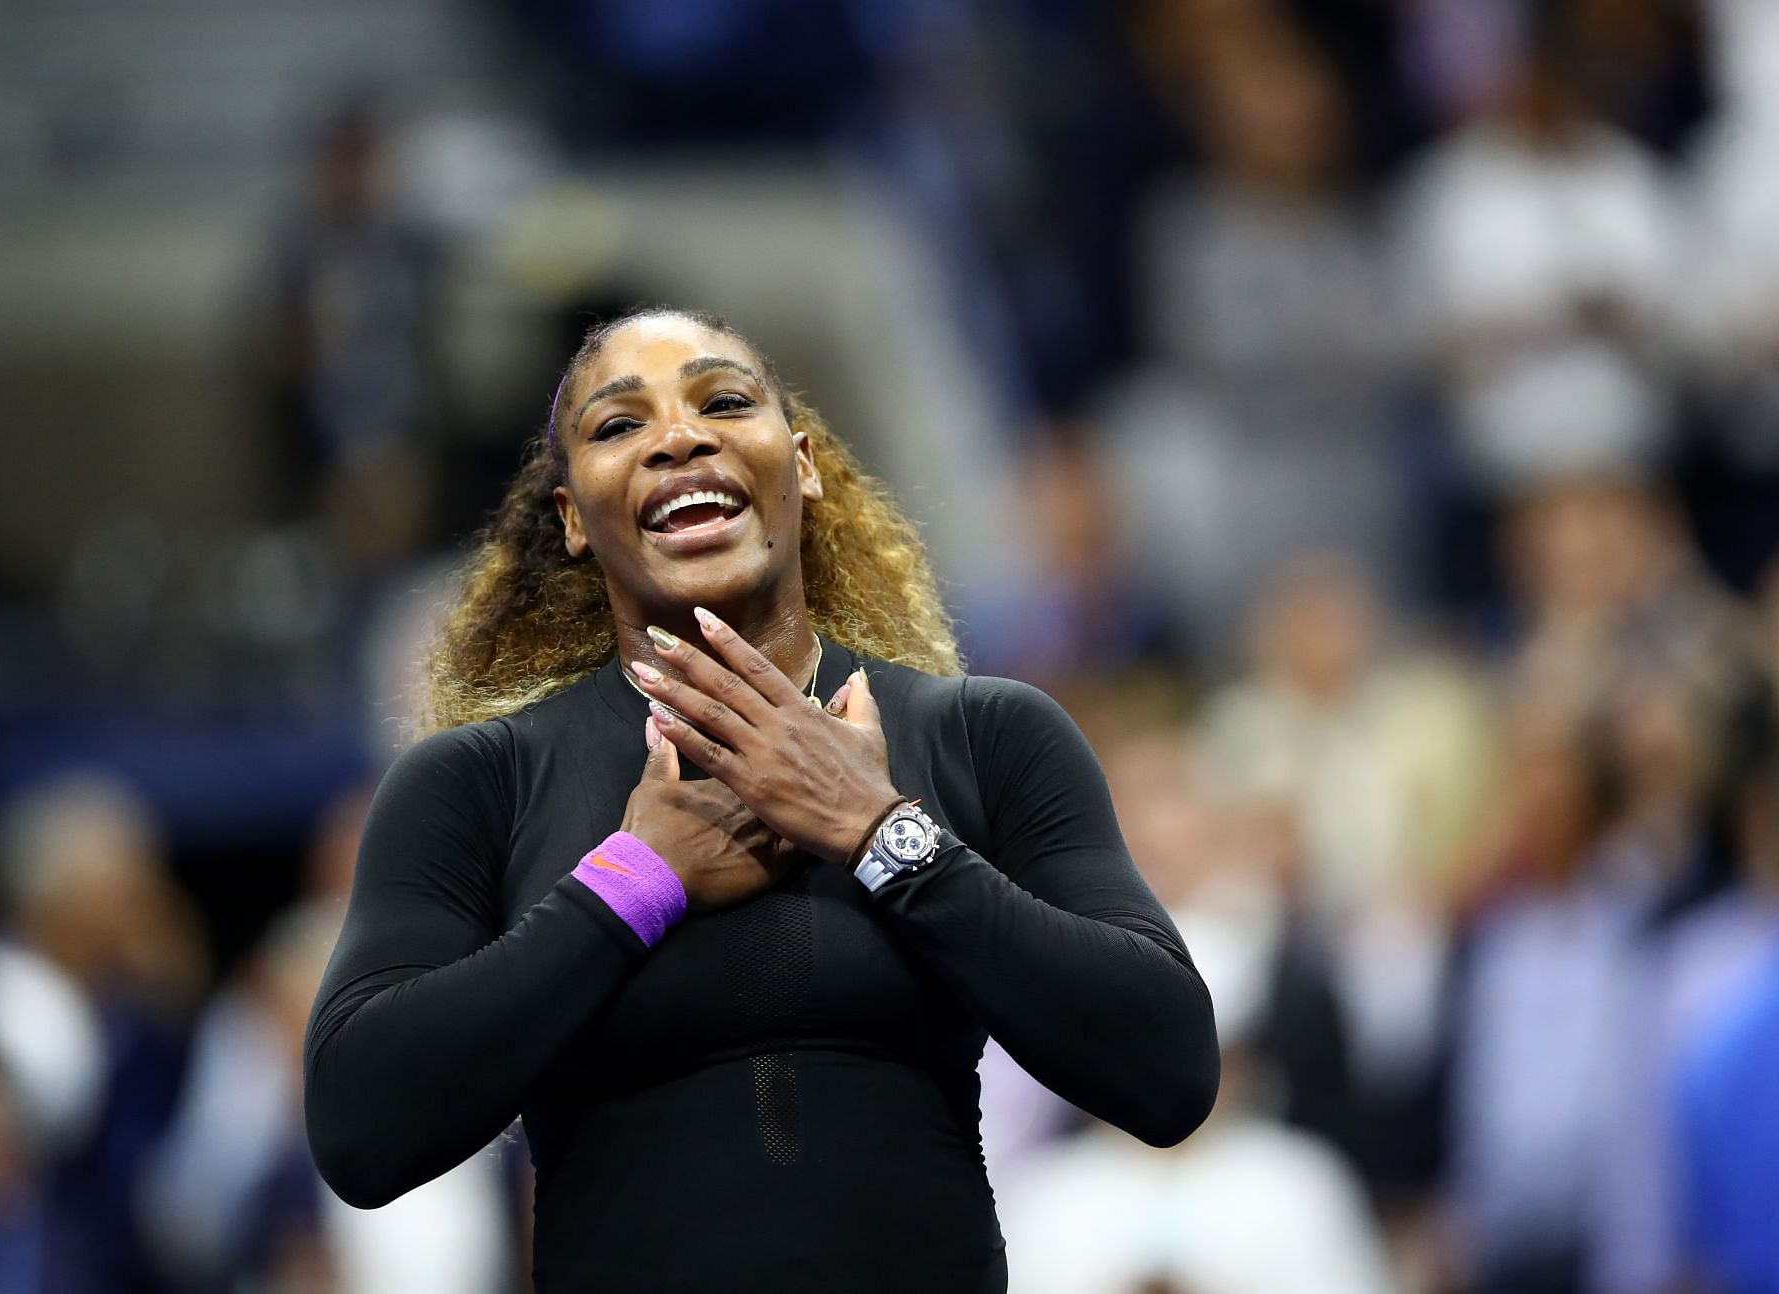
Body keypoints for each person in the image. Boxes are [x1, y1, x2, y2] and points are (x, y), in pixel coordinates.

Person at [302, 307, 1220, 1292]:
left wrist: (881, 832)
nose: (677, 436)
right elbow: (361, 1129)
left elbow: (1166, 1070)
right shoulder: (477, 782)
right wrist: (632, 883)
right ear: (572, 518)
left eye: (723, 401)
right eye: (619, 425)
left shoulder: (986, 737)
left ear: (803, 464)